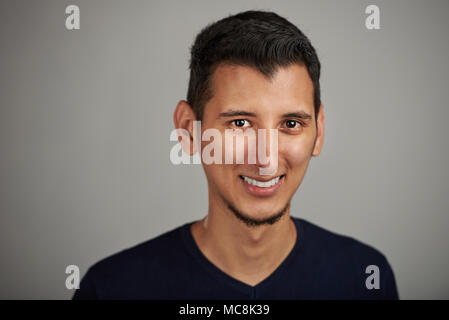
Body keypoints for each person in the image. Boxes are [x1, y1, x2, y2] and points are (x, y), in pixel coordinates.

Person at [73, 10, 399, 300]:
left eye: (290, 123)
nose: (266, 159)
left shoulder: (363, 278)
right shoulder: (113, 289)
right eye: (240, 123)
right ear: (189, 129)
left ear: (319, 132)